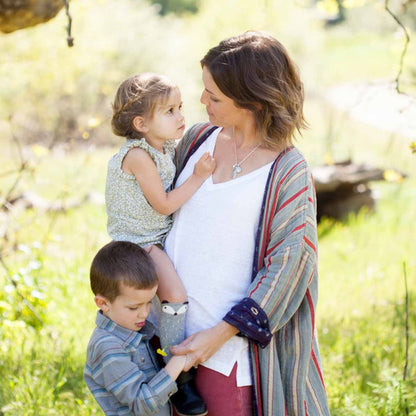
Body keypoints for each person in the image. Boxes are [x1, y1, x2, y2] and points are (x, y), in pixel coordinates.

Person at [164, 31, 331, 416]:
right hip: (170, 347)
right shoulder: (195, 140)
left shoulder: (287, 171)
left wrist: (216, 337)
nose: (202, 101)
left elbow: (289, 270)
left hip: (230, 357)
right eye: (204, 90)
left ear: (253, 101)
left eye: (215, 96)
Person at [105, 73, 214, 415]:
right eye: (170, 110)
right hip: (139, 243)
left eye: (180, 107)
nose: (181, 115)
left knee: (166, 302)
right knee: (176, 297)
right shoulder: (138, 156)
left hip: (154, 238)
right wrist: (199, 176)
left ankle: (158, 352)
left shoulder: (163, 146)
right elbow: (164, 205)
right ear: (141, 123)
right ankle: (178, 374)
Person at [84, 240, 188, 416]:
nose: (144, 313)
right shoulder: (109, 347)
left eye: (149, 303)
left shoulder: (135, 332)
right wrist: (177, 363)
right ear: (103, 303)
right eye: (134, 307)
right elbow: (142, 404)